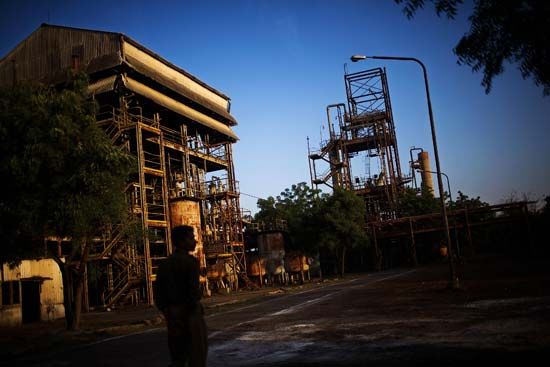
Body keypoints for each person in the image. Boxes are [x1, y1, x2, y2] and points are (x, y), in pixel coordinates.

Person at [154, 225, 208, 367]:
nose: (195, 241)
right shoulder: (191, 263)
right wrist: (191, 310)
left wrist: (167, 312)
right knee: (197, 355)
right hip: (190, 314)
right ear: (182, 241)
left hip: (172, 314)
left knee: (177, 357)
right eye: (191, 238)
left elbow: (158, 293)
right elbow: (193, 292)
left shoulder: (164, 264)